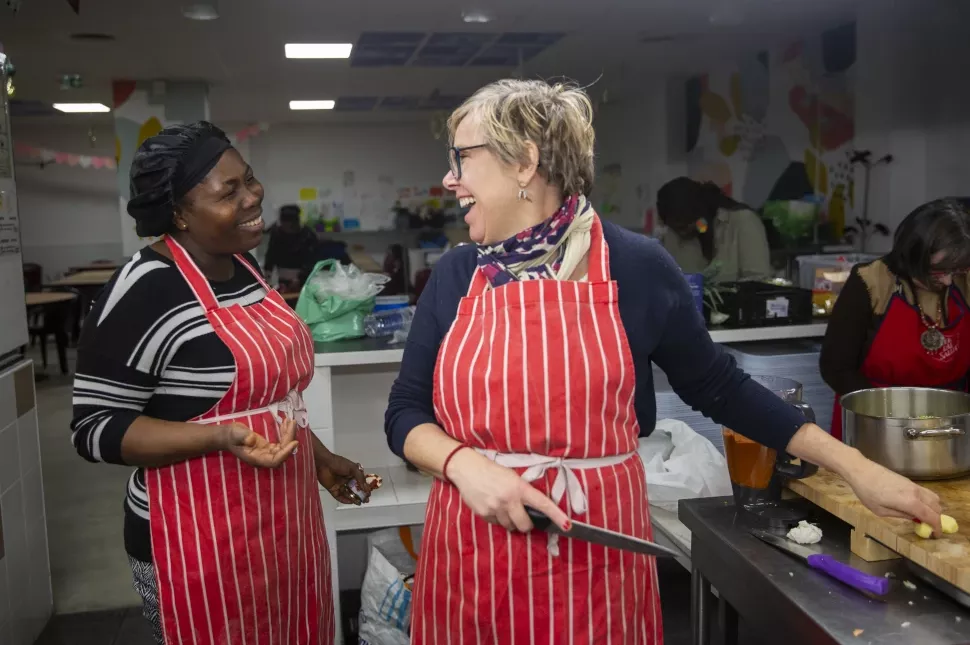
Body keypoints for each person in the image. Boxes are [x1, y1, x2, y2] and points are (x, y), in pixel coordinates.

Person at [384, 79, 943, 644]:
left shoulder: (636, 266)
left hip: (597, 563)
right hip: (472, 554)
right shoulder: (455, 278)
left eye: (462, 158)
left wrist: (856, 467)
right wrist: (465, 465)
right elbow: (405, 413)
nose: (450, 179)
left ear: (525, 162)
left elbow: (720, 388)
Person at [71, 121, 371, 645]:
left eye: (249, 179)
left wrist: (316, 455)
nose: (254, 196)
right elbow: (95, 429)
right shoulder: (143, 290)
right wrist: (219, 436)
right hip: (191, 538)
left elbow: (267, 396)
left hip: (282, 519)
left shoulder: (245, 267)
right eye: (229, 191)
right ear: (179, 213)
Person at [821, 198, 970, 441]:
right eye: (938, 271)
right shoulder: (871, 282)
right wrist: (892, 414)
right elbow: (835, 368)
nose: (948, 282)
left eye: (957, 270)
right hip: (875, 423)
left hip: (951, 426)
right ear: (912, 252)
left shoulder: (964, 283)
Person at [656, 176, 772, 281]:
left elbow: (758, 281)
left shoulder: (742, 222)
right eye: (676, 228)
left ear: (702, 211)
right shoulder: (672, 235)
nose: (683, 232)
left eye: (687, 224)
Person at [264, 203, 319, 291]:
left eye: (289, 226)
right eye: (283, 225)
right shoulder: (277, 233)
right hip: (282, 278)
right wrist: (267, 273)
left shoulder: (307, 235)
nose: (286, 229)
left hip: (304, 279)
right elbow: (271, 255)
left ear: (295, 223)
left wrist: (300, 278)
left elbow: (311, 261)